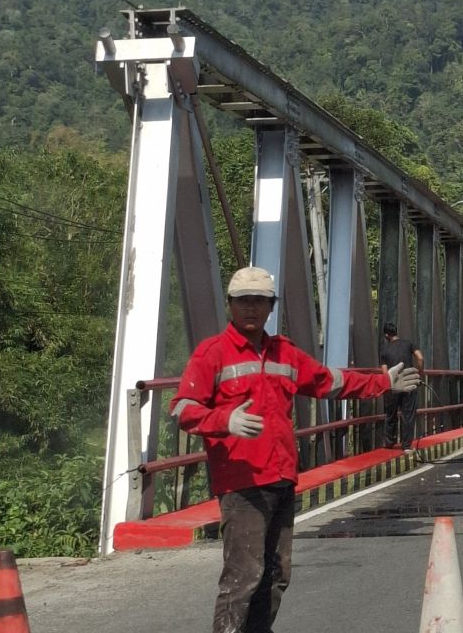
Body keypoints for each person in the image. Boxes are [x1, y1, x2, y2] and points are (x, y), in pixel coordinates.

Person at [170, 266, 420, 633]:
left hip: (282, 477)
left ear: (271, 306)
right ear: (230, 305)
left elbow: (327, 381)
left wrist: (382, 383)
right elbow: (182, 408)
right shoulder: (213, 354)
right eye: (243, 302)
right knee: (243, 576)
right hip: (241, 484)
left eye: (260, 301)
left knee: (275, 574)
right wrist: (223, 421)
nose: (251, 309)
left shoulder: (283, 352)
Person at [379, 322, 425, 452]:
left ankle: (389, 442)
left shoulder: (384, 350)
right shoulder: (408, 343)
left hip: (393, 385)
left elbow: (384, 372)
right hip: (409, 383)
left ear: (386, 335)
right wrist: (419, 373)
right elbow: (420, 358)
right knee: (408, 414)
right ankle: (406, 446)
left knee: (391, 414)